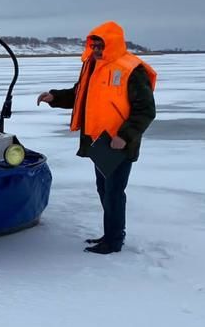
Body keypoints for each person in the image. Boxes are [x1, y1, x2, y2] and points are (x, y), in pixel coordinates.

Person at [37, 21, 156, 255]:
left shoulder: (131, 69)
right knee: (104, 190)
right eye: (94, 45)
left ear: (112, 44)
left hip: (119, 144)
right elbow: (79, 95)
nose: (97, 50)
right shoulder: (92, 67)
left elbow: (145, 110)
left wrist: (124, 136)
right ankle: (109, 234)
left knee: (113, 191)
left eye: (101, 45)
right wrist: (55, 97)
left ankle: (114, 240)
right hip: (99, 142)